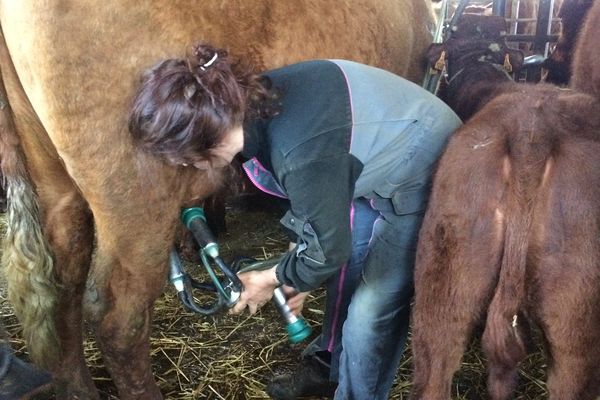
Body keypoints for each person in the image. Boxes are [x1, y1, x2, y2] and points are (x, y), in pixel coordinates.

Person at [129, 42, 462, 400]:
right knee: (343, 278)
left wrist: (270, 279)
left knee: (370, 310)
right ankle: (331, 371)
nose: (186, 167)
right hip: (369, 165)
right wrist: (296, 269)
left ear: (204, 138)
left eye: (184, 159)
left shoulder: (297, 154)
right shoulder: (250, 107)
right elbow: (312, 202)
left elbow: (329, 248)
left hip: (431, 168)